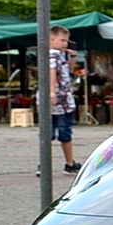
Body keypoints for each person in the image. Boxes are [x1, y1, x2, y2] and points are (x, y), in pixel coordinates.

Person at [46, 26, 81, 174]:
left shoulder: (60, 55)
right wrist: (52, 92)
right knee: (63, 131)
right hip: (60, 100)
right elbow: (51, 72)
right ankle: (68, 163)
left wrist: (73, 56)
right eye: (62, 40)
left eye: (67, 40)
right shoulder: (52, 55)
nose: (65, 43)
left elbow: (68, 72)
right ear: (51, 39)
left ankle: (50, 164)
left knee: (50, 133)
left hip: (64, 99)